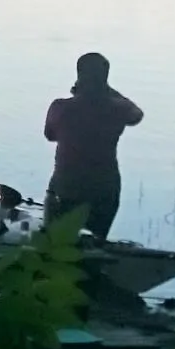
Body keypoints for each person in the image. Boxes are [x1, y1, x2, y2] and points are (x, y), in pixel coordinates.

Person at [43, 52, 144, 241]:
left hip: (67, 188)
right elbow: (137, 114)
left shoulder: (60, 108)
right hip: (104, 189)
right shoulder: (118, 109)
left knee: (55, 243)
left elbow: (50, 135)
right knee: (97, 241)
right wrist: (108, 91)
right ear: (105, 77)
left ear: (78, 74)